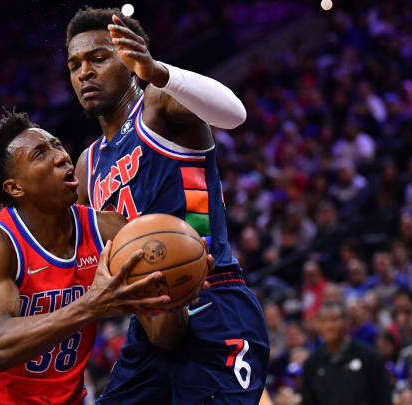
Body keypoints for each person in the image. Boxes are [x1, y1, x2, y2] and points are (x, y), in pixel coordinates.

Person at [0, 111, 208, 404]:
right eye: (40, 154)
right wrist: (91, 304)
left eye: (57, 145)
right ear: (15, 187)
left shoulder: (108, 230)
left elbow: (164, 339)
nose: (62, 156)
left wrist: (174, 291)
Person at [66, 7, 269, 404]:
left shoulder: (158, 106)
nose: (84, 72)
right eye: (74, 65)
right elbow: (82, 260)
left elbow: (234, 113)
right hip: (149, 325)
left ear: (129, 59)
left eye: (99, 58)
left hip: (211, 298)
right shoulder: (87, 164)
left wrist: (157, 71)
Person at [301, 303, 392, 405]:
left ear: (346, 322)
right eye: (324, 321)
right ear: (318, 325)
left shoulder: (369, 357)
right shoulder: (312, 363)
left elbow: (383, 398)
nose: (329, 326)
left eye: (334, 320)